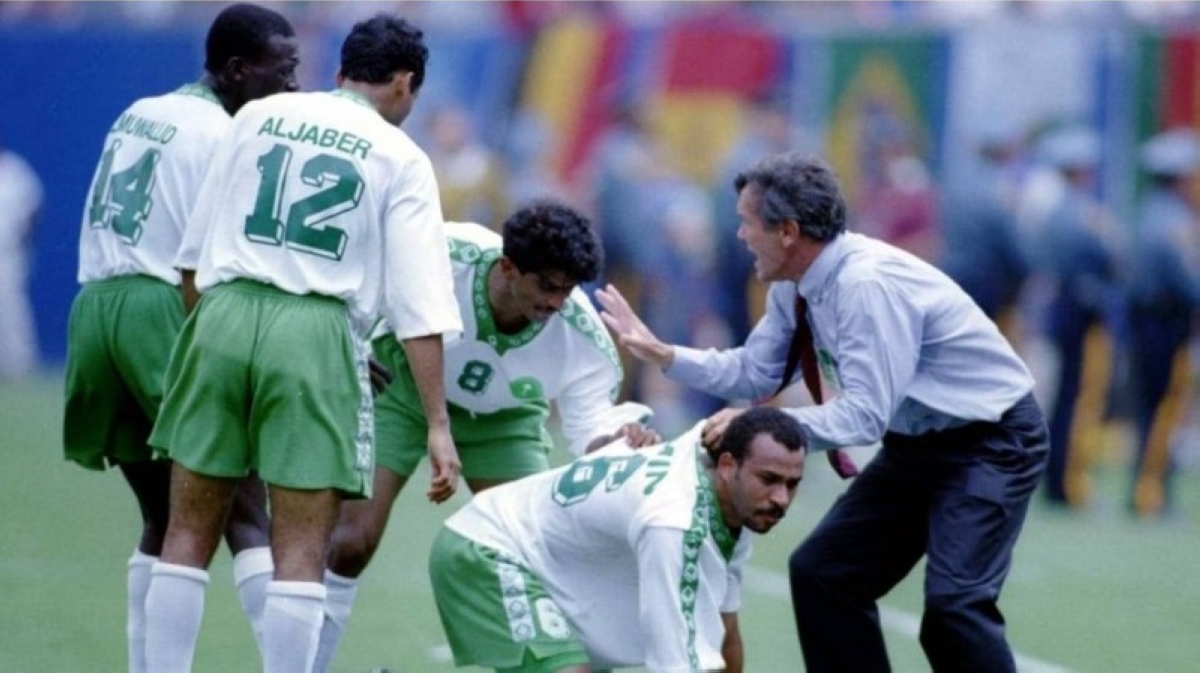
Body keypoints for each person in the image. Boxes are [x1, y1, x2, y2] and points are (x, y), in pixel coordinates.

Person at [598, 152, 1049, 673]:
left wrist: (754, 426)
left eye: (748, 222)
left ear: (788, 232)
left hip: (992, 442)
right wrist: (664, 354)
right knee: (823, 574)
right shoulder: (795, 284)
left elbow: (863, 418)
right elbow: (756, 371)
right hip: (919, 444)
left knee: (955, 608)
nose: (740, 234)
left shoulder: (864, 285)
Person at [142, 14, 462, 673]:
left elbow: (192, 259)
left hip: (221, 313)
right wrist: (437, 422)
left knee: (186, 532)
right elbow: (420, 308)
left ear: (342, 72)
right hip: (315, 329)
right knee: (299, 548)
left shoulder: (259, 116)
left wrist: (214, 340)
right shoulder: (401, 156)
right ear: (404, 83)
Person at [314, 199, 658, 671]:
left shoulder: (585, 338)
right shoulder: (443, 251)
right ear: (508, 267)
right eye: (547, 285)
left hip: (505, 420)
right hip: (404, 385)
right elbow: (362, 272)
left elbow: (587, 433)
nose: (557, 303)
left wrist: (617, 440)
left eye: (568, 289)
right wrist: (351, 341)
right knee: (351, 540)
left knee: (537, 559)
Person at [62, 5, 299, 671]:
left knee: (165, 517)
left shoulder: (142, 110)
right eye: (283, 69)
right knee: (244, 506)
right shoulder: (228, 134)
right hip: (160, 305)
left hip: (96, 308)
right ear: (237, 69)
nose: (293, 84)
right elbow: (239, 254)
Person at [428, 405, 806, 673]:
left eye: (792, 484)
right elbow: (676, 664)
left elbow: (725, 635)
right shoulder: (674, 523)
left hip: (552, 569)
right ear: (727, 466)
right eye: (769, 480)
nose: (781, 499)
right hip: (489, 546)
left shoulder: (730, 494)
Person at [1030, 126, 1120, 508]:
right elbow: (1108, 258)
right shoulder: (1080, 213)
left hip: (1065, 312)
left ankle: (1059, 480)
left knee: (1066, 398)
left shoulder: (1057, 210)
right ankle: (1069, 483)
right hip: (1081, 315)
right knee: (1079, 399)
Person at [1126, 128, 1200, 517]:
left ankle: (1146, 488)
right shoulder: (1176, 222)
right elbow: (1189, 281)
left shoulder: (1147, 213)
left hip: (1145, 322)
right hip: (1166, 324)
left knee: (1150, 406)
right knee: (1164, 407)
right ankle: (1151, 492)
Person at [0, 137, 43, 380]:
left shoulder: (16, 171)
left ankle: (19, 364)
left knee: (11, 309)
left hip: (7, 253)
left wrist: (23, 239)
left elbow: (33, 207)